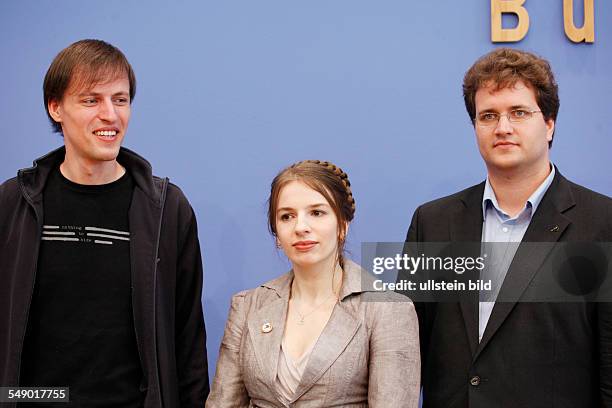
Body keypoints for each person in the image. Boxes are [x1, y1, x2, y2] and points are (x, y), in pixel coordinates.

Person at [0, 39, 209, 407]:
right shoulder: (12, 203)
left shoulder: (166, 209)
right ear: (56, 108)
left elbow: (188, 341)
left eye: (120, 99)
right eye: (91, 100)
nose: (110, 115)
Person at [404, 48, 612, 407]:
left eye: (518, 112)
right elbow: (404, 355)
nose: (503, 127)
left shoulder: (602, 223)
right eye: (488, 115)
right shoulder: (433, 222)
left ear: (549, 124)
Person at [207, 160, 420, 407]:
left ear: (342, 225)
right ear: (276, 233)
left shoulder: (387, 310)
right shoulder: (247, 306)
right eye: (287, 216)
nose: (300, 227)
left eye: (317, 213)